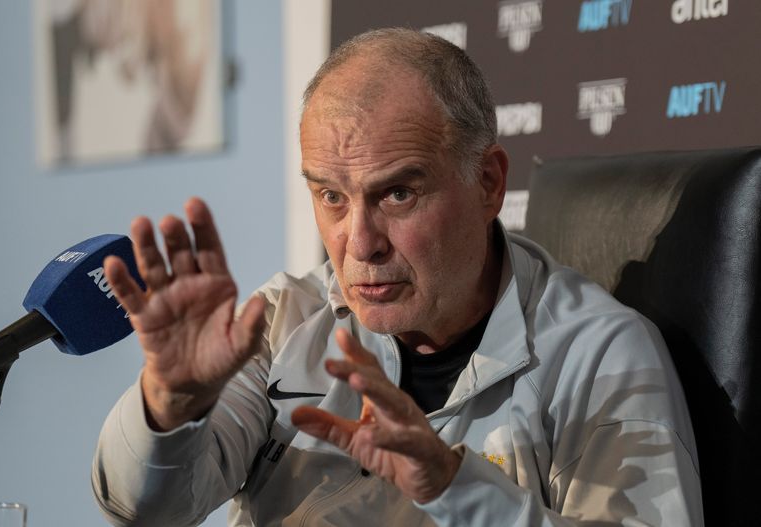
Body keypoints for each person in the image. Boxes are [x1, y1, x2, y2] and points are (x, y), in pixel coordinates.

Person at [92, 28, 703, 526]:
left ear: (488, 183)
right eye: (331, 196)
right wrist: (169, 405)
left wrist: (454, 486)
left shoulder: (600, 353)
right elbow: (145, 510)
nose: (358, 243)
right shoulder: (284, 319)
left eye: (399, 194)